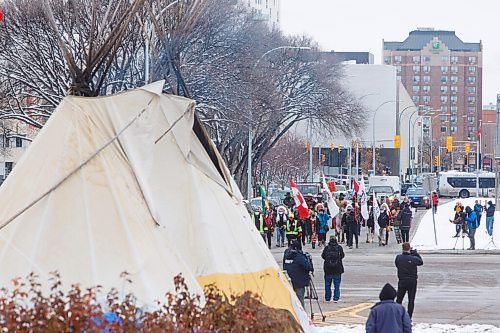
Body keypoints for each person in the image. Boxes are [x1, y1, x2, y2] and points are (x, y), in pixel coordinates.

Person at [395, 242, 423, 319]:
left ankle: (397, 315)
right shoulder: (413, 258)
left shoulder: (398, 257)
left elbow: (397, 264)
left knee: (399, 299)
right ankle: (409, 316)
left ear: (402, 248)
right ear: (409, 248)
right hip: (412, 280)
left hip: (402, 280)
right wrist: (415, 253)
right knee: (411, 300)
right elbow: (420, 262)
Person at [283, 240, 313, 307]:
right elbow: (308, 267)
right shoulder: (299, 256)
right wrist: (308, 259)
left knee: (290, 300)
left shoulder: (286, 255)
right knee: (299, 299)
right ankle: (301, 316)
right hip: (299, 281)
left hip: (288, 280)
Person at [321, 235, 345, 303]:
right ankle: (336, 298)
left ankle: (328, 298)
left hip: (328, 269)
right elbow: (342, 255)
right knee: (337, 285)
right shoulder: (339, 248)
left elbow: (323, 256)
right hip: (337, 269)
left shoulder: (327, 248)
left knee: (327, 285)